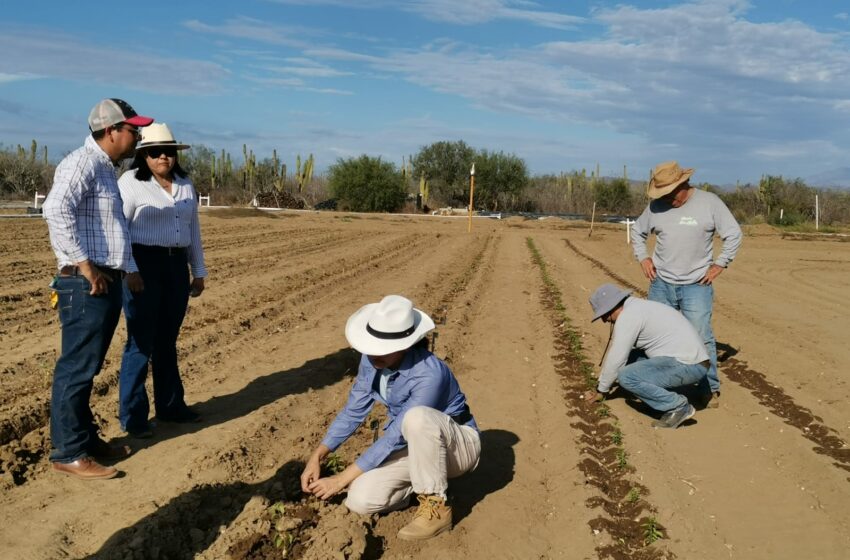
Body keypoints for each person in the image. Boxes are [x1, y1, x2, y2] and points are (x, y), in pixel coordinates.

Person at [300, 295, 480, 541]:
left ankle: (436, 509)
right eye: (371, 347)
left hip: (457, 447)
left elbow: (395, 436)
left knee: (416, 418)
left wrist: (341, 479)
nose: (374, 354)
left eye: (382, 349)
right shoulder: (372, 359)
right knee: (360, 500)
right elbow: (354, 410)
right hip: (414, 446)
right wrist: (317, 456)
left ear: (406, 344)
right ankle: (417, 484)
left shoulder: (428, 374)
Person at [42, 99, 153, 479]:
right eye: (133, 130)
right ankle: (69, 452)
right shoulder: (83, 163)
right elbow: (55, 210)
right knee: (76, 368)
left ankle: (85, 440)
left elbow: (112, 229)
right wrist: (86, 266)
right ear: (111, 131)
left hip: (104, 278)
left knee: (87, 368)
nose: (138, 136)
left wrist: (126, 269)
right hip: (85, 281)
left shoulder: (105, 170)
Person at [117, 123, 207, 437]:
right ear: (143, 155)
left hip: (176, 265)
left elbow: (193, 230)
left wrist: (199, 270)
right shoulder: (130, 182)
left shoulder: (184, 183)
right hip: (144, 263)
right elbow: (121, 229)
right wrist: (130, 270)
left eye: (168, 152)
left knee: (167, 340)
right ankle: (134, 417)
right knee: (140, 342)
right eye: (155, 152)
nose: (163, 158)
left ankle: (171, 407)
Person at [630, 161, 742, 407]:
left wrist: (720, 263)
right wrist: (643, 257)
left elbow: (733, 233)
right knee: (657, 336)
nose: (669, 199)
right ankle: (661, 382)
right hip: (661, 283)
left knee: (701, 336)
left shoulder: (709, 202)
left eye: (671, 194)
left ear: (684, 184)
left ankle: (708, 387)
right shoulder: (656, 207)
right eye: (664, 194)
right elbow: (637, 232)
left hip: (696, 285)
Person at [584, 283, 710, 429]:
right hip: (692, 360)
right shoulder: (638, 307)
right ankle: (657, 403)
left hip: (689, 365)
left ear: (610, 308)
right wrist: (603, 381)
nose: (604, 320)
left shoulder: (628, 317)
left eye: (603, 315)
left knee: (627, 376)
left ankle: (678, 407)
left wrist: (602, 390)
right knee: (631, 360)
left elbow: (617, 357)